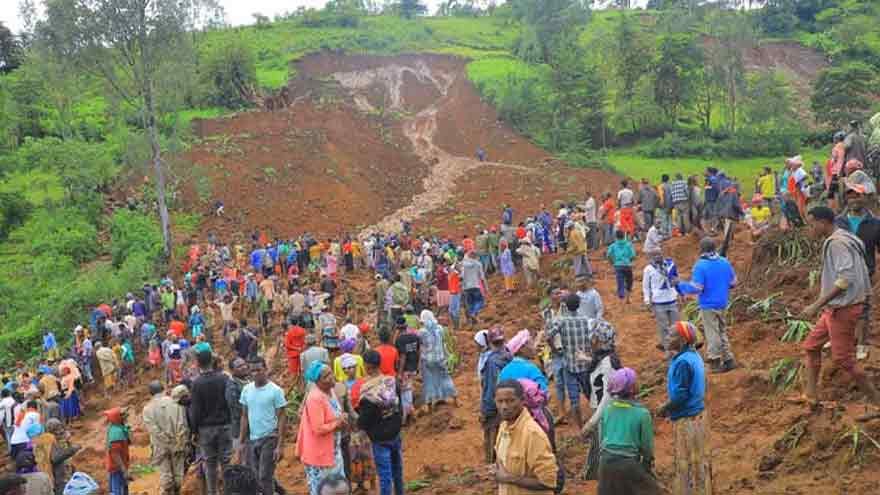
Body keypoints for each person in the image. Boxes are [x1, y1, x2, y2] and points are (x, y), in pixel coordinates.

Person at [801, 206, 880, 407]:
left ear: (823, 223)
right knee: (811, 347)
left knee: (844, 359)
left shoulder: (837, 244)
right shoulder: (845, 236)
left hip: (843, 309)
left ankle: (876, 401)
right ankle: (810, 396)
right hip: (835, 309)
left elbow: (845, 279)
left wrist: (816, 304)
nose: (810, 229)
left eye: (811, 225)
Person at [657, 322, 712, 495]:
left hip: (687, 418)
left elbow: (680, 396)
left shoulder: (682, 362)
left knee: (686, 462)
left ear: (681, 340)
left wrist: (664, 408)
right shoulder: (693, 356)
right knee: (700, 459)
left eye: (671, 335)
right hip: (699, 415)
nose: (667, 337)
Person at [835, 181, 880, 360]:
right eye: (850, 195)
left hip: (865, 272)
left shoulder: (875, 223)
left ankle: (861, 344)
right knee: (839, 305)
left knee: (863, 308)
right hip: (841, 271)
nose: (854, 198)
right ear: (846, 198)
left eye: (858, 195)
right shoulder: (839, 221)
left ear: (865, 197)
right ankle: (841, 339)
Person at [678, 237, 737, 373]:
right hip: (722, 302)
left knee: (712, 332)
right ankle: (728, 359)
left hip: (708, 304)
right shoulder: (724, 262)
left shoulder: (701, 265)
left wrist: (680, 285)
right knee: (722, 330)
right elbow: (733, 282)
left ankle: (715, 360)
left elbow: (697, 288)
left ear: (702, 249)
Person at [595, 369, 659, 495]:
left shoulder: (608, 410)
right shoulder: (642, 414)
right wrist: (647, 464)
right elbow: (647, 447)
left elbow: (601, 438)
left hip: (605, 464)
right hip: (628, 464)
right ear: (632, 388)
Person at [492, 380, 559, 495]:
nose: (504, 406)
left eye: (510, 401)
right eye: (500, 401)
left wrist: (508, 478)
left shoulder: (532, 434)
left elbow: (548, 482)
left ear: (523, 400)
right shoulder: (504, 427)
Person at [236, 357, 288, 495]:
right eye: (252, 371)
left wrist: (280, 445)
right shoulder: (246, 390)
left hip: (270, 438)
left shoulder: (275, 391)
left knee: (264, 476)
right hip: (253, 439)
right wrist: (241, 442)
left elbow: (282, 417)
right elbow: (244, 416)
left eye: (258, 370)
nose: (255, 373)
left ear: (266, 369)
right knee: (255, 475)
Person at [297, 361, 347, 495]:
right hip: (320, 455)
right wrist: (338, 423)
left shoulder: (330, 391)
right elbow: (318, 428)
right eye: (326, 376)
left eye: (330, 373)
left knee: (337, 489)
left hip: (333, 450)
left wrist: (341, 418)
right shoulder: (315, 398)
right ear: (317, 382)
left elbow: (335, 413)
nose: (331, 377)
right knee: (323, 490)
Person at [357, 351, 404, 495]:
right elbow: (399, 406)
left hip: (379, 438)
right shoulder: (391, 381)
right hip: (395, 432)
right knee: (397, 471)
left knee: (385, 476)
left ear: (367, 366)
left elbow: (364, 421)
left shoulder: (367, 391)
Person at [580, 321, 620, 481]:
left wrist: (592, 422)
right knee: (597, 449)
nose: (591, 340)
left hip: (605, 415)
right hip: (601, 414)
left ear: (600, 340)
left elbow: (608, 396)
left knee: (604, 451)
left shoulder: (607, 363)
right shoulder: (603, 358)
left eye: (594, 337)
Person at [547, 294, 593, 429]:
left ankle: (580, 429)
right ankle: (597, 421)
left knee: (574, 400)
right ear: (579, 305)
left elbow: (548, 335)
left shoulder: (561, 321)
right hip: (585, 362)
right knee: (590, 393)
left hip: (569, 363)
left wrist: (554, 349)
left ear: (565, 306)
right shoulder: (586, 320)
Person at [190, 351, 232, 495]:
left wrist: (194, 431)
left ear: (197, 363)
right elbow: (230, 402)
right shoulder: (224, 378)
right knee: (226, 461)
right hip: (225, 426)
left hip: (205, 430)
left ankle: (212, 492)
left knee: (210, 464)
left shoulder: (196, 383)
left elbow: (195, 410)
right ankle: (228, 491)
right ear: (212, 361)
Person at [142, 381, 189, 495]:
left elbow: (153, 430)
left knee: (165, 474)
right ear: (163, 389)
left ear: (150, 393)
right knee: (179, 473)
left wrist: (165, 439)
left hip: (160, 446)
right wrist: (178, 439)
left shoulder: (147, 409)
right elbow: (182, 423)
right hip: (177, 443)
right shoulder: (174, 402)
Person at [480, 327, 511, 464]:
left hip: (496, 404)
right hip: (511, 401)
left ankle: (492, 466)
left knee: (491, 438)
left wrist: (486, 410)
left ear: (490, 342)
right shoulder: (509, 356)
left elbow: (490, 387)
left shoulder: (491, 362)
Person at [418, 310, 458, 412]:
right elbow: (444, 343)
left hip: (427, 360)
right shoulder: (440, 328)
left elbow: (420, 346)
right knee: (445, 378)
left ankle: (430, 406)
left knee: (429, 381)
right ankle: (454, 399)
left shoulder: (422, 332)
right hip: (440, 358)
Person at [642, 247, 680, 353]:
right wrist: (647, 301)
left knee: (676, 328)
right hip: (658, 303)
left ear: (662, 254)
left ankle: (677, 350)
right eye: (654, 255)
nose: (657, 256)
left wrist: (679, 290)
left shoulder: (670, 265)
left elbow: (676, 278)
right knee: (663, 328)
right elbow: (646, 286)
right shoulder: (648, 269)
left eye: (659, 254)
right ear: (651, 257)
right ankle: (668, 352)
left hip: (672, 300)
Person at [34, 418, 79, 495]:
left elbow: (67, 459)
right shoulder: (49, 440)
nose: (61, 431)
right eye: (58, 429)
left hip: (64, 474)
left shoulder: (59, 440)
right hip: (57, 476)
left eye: (61, 428)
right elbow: (55, 458)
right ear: (51, 431)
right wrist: (72, 450)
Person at [103, 407, 131, 495]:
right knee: (118, 491)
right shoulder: (116, 432)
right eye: (123, 415)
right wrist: (124, 470)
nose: (126, 416)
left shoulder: (117, 428)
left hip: (119, 466)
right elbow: (115, 454)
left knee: (122, 488)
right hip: (117, 467)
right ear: (118, 418)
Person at [226, 358, 249, 452]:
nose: (244, 367)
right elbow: (237, 411)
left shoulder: (249, 380)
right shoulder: (232, 387)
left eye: (244, 364)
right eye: (239, 366)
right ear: (232, 371)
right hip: (240, 431)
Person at [606, 230, 635, 304]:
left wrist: (612, 262)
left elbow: (608, 255)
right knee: (629, 281)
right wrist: (629, 261)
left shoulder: (613, 245)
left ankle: (621, 300)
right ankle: (628, 298)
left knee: (620, 282)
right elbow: (633, 256)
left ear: (616, 237)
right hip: (627, 265)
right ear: (624, 236)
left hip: (618, 265)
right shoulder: (629, 244)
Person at [461, 251, 487, 325]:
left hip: (466, 287)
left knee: (470, 304)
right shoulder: (478, 264)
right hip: (475, 285)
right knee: (480, 302)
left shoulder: (464, 265)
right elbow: (482, 277)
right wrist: (485, 287)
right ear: (475, 256)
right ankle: (473, 314)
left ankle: (473, 320)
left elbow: (462, 276)